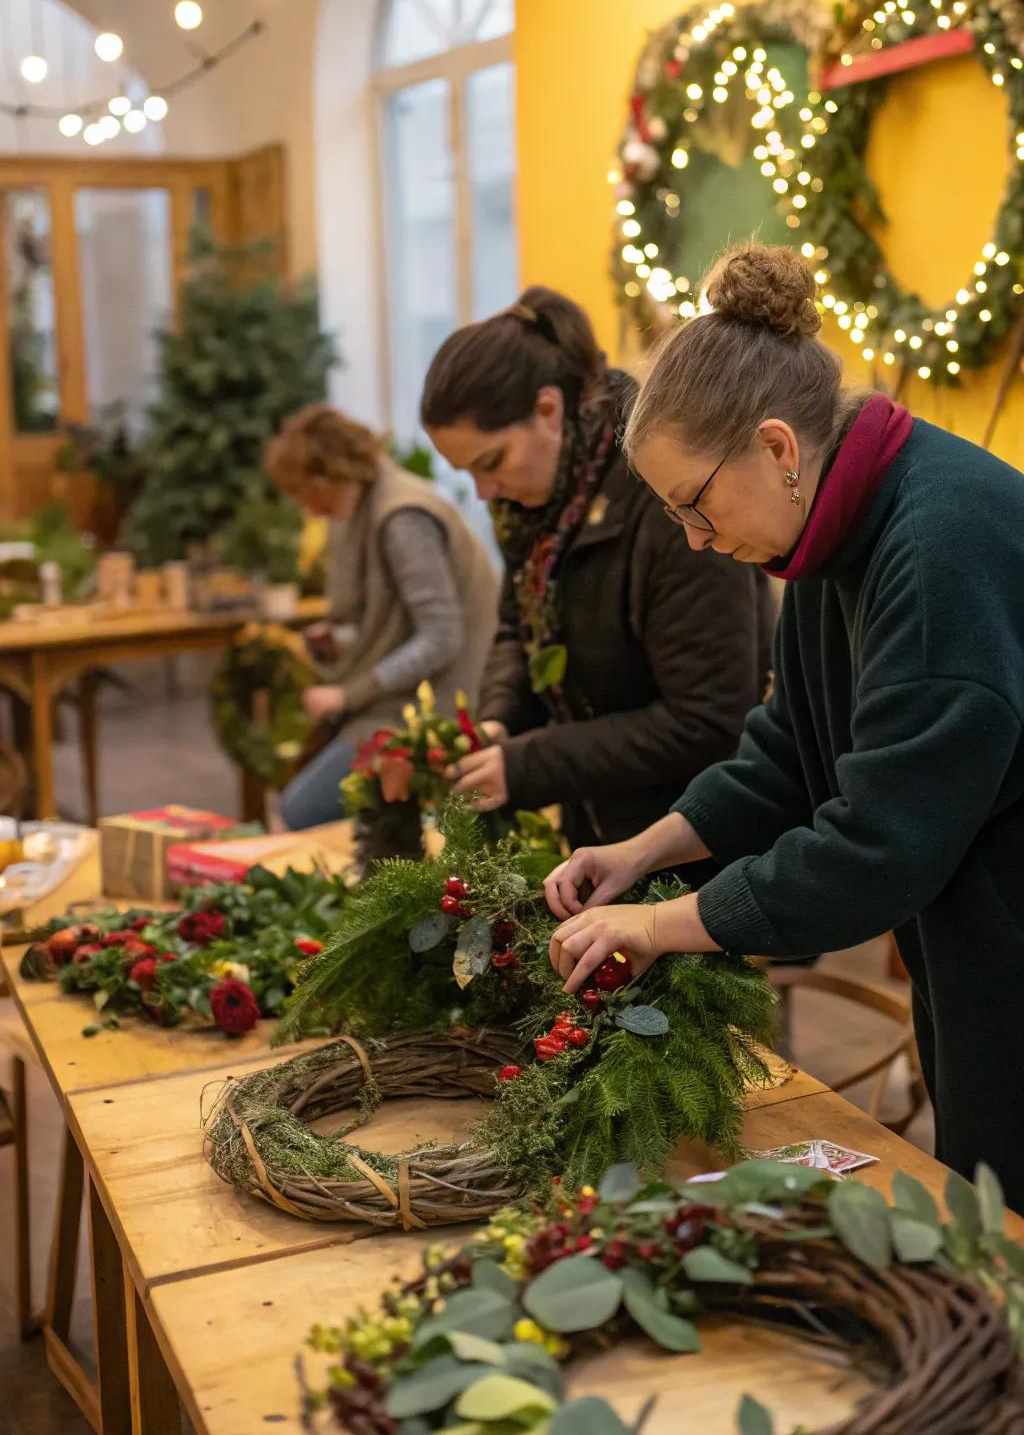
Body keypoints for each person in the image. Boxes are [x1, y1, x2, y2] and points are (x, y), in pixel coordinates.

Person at [544, 240, 1024, 1207]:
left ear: (776, 448)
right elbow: (789, 752)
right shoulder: (830, 530)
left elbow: (875, 849)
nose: (693, 539)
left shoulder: (937, 548)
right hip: (979, 947)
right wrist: (644, 850)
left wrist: (660, 928)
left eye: (694, 504)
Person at [420, 285, 774, 847]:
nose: (484, 492)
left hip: (698, 845)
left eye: (491, 462)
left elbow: (707, 719)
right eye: (467, 474)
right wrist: (498, 722)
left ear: (548, 409)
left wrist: (528, 765)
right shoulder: (537, 503)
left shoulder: (663, 493)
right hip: (605, 834)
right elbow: (518, 629)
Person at [264, 404, 498, 829]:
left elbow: (442, 637)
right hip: (406, 702)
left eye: (303, 492)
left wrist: (347, 696)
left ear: (327, 474)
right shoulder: (368, 502)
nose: (307, 507)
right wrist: (341, 638)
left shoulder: (401, 519)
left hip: (439, 710)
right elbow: (390, 620)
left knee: (303, 809)